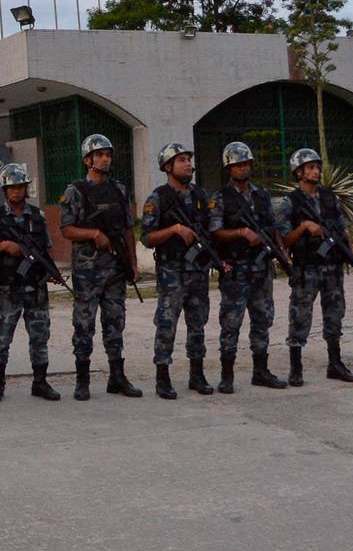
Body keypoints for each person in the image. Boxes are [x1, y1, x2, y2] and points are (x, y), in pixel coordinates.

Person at [59, 134, 141, 400]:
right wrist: (94, 235)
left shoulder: (119, 189)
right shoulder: (76, 191)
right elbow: (67, 229)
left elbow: (128, 228)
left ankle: (117, 376)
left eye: (108, 154)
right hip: (87, 271)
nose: (105, 159)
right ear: (88, 160)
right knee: (84, 324)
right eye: (100, 155)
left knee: (115, 322)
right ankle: (82, 380)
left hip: (115, 268)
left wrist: (133, 260)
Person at [140, 143, 223, 399]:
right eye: (181, 160)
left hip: (197, 270)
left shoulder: (199, 195)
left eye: (188, 159)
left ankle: (197, 374)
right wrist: (175, 230)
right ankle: (162, 376)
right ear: (168, 167)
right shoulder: (158, 198)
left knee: (198, 323)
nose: (188, 164)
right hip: (172, 271)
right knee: (167, 323)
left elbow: (211, 230)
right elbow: (147, 237)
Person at [0, 163, 62, 403]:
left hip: (35, 286)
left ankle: (40, 382)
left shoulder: (37, 216)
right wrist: (4, 246)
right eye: (12, 187)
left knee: (39, 335)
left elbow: (45, 248)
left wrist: (52, 271)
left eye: (20, 187)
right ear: (5, 189)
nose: (17, 192)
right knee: (2, 336)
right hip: (8, 287)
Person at [207, 141, 287, 392]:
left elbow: (273, 227)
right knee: (231, 321)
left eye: (246, 163)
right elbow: (215, 232)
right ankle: (227, 374)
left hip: (261, 267)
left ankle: (261, 371)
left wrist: (281, 252)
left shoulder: (262, 194)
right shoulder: (221, 197)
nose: (243, 168)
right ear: (229, 168)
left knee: (263, 319)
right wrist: (241, 232)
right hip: (237, 268)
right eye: (237, 164)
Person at [277, 148, 353, 386]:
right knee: (300, 316)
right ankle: (296, 367)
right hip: (307, 267)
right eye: (310, 167)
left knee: (335, 314)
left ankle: (335, 363)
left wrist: (351, 249)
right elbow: (283, 239)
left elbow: (342, 226)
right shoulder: (290, 202)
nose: (316, 171)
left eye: (317, 167)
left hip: (332, 265)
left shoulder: (330, 197)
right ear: (299, 172)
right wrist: (304, 227)